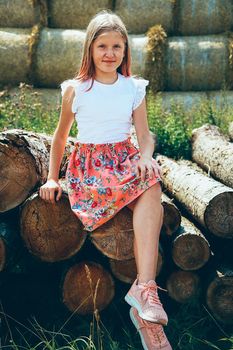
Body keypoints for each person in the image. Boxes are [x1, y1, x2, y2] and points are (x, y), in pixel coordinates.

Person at [39, 10, 172, 350]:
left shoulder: (133, 87)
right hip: (90, 168)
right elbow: (59, 137)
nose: (110, 53)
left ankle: (145, 291)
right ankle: (143, 301)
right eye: (103, 46)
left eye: (117, 46)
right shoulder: (77, 89)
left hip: (124, 158)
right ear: (90, 49)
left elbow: (145, 135)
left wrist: (144, 157)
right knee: (150, 185)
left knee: (152, 181)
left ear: (126, 51)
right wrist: (53, 179)